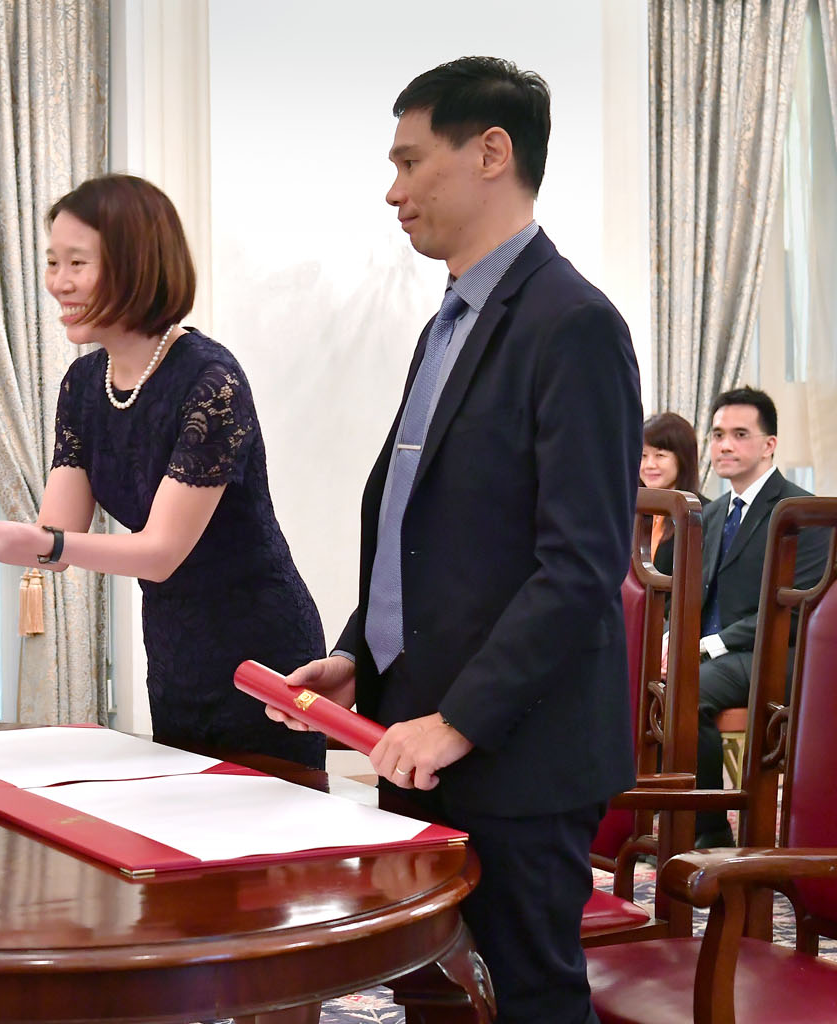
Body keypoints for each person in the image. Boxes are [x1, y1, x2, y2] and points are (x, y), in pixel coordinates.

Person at [266, 58, 640, 1023]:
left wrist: (460, 719)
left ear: (490, 152)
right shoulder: (450, 322)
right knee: (436, 996)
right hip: (420, 737)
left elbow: (581, 568)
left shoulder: (574, 325)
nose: (391, 191)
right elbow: (423, 532)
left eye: (407, 160)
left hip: (513, 754)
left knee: (526, 999)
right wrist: (358, 655)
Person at [0, 174, 328, 767]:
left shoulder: (211, 381)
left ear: (136, 264)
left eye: (77, 263)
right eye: (52, 261)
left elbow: (161, 552)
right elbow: (57, 541)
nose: (58, 282)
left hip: (261, 644)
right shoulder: (85, 385)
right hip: (174, 643)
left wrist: (29, 538)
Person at [655, 387, 828, 849]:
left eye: (739, 434)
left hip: (777, 654)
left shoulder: (801, 513)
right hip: (709, 654)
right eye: (717, 435)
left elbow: (795, 610)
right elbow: (682, 594)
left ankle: (708, 832)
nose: (725, 445)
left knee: (686, 692)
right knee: (637, 679)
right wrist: (671, 636)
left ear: (769, 444)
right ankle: (645, 822)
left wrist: (706, 644)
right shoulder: (708, 514)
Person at [638, 410, 701, 560]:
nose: (649, 465)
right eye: (643, 456)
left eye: (660, 455)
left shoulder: (702, 515)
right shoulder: (633, 513)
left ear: (683, 459)